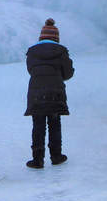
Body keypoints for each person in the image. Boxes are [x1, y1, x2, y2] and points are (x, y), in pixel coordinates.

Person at [24, 18, 74, 169]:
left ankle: (37, 159)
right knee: (54, 124)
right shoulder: (61, 51)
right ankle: (56, 156)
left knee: (38, 126)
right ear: (56, 38)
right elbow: (68, 73)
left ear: (41, 37)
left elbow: (30, 70)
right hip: (56, 93)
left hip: (36, 93)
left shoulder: (32, 52)